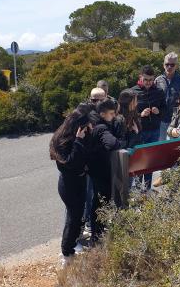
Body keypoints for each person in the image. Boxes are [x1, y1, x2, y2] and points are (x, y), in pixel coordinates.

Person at [49, 103, 94, 267]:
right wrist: (78, 142)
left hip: (80, 181)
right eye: (88, 123)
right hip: (69, 185)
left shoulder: (83, 135)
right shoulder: (63, 140)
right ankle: (66, 253)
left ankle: (71, 249)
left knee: (77, 217)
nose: (91, 126)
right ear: (78, 125)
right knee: (72, 219)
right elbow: (70, 163)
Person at [87, 99, 122, 242]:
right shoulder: (102, 127)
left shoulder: (97, 124)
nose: (113, 116)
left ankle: (97, 233)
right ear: (102, 114)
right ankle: (97, 235)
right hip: (101, 171)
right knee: (101, 202)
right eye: (111, 113)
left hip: (96, 170)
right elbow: (112, 144)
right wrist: (122, 142)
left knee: (98, 201)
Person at [132, 65, 166, 189]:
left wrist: (159, 112)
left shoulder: (158, 91)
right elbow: (127, 115)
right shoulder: (133, 92)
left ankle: (146, 189)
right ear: (140, 77)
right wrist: (140, 115)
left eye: (151, 80)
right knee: (139, 161)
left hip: (154, 131)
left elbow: (165, 110)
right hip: (139, 132)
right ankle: (136, 189)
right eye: (145, 80)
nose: (148, 83)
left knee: (150, 162)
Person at [155, 52, 180, 141]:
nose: (169, 67)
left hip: (177, 122)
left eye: (172, 65)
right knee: (161, 147)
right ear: (163, 65)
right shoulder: (157, 80)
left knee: (174, 147)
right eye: (167, 64)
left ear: (176, 66)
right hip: (161, 121)